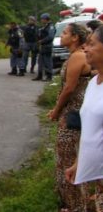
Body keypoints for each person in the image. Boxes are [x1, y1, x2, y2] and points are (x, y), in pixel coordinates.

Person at [47, 23, 91, 211]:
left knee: (67, 155)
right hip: (75, 110)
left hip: (73, 112)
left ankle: (73, 204)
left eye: (65, 33)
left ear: (75, 38)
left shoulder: (77, 56)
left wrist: (57, 110)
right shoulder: (78, 56)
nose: (61, 36)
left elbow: (69, 88)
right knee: (71, 154)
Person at [65, 25, 103, 212]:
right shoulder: (92, 85)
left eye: (92, 44)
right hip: (96, 176)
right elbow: (91, 131)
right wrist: (79, 163)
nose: (86, 48)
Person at [33, 13, 56, 81]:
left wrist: (42, 41)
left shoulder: (51, 26)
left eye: (42, 19)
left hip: (47, 46)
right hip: (42, 47)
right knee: (40, 61)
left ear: (46, 19)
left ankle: (49, 76)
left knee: (47, 62)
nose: (41, 20)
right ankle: (40, 75)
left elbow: (50, 37)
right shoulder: (44, 27)